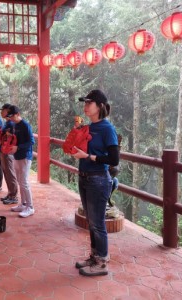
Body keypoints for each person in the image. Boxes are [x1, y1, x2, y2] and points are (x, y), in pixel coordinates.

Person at [72, 89, 119, 277]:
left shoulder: (107, 129)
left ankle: (102, 263)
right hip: (84, 177)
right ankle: (95, 256)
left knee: (98, 223)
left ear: (99, 106)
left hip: (98, 179)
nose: (85, 106)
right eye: (84, 103)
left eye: (88, 103)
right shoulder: (87, 127)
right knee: (91, 222)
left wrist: (88, 157)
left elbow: (114, 159)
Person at [6, 105, 35, 218]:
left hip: (25, 157)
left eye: (12, 116)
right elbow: (16, 139)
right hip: (16, 156)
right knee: (19, 181)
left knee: (24, 182)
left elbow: (31, 141)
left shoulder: (25, 125)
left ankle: (30, 207)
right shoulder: (14, 125)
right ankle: (23, 204)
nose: (11, 118)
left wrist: (18, 147)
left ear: (18, 114)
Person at [0, 103, 18, 205]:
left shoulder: (11, 123)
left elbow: (14, 138)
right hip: (3, 149)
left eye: (3, 110)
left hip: (8, 152)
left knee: (10, 173)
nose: (1, 112)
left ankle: (14, 196)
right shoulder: (6, 123)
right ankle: (10, 193)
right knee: (6, 173)